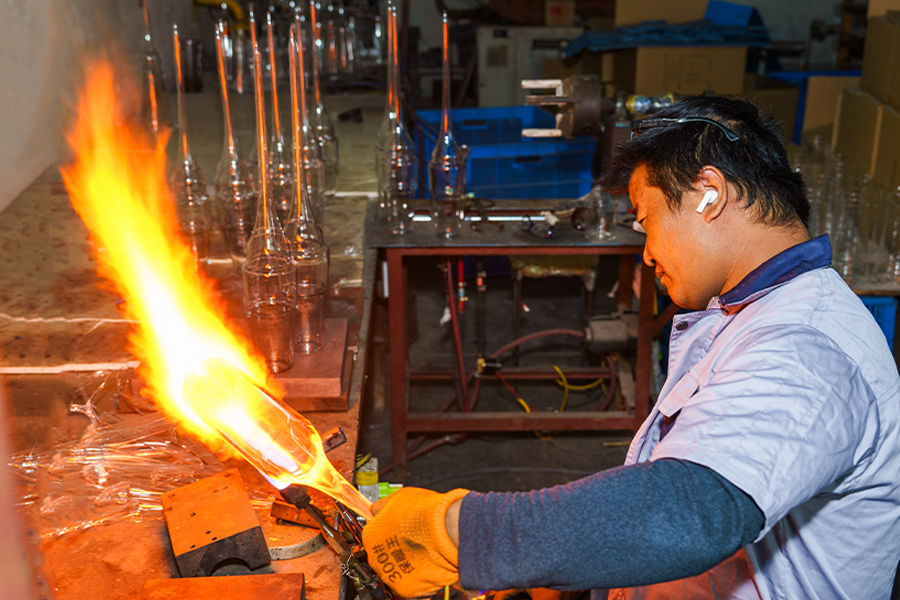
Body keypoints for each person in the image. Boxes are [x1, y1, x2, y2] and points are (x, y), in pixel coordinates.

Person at [362, 96, 900, 599]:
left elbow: (688, 512)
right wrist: (564, 572)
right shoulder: (755, 312)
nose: (646, 253)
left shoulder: (807, 348)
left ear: (709, 194)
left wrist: (461, 532)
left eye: (647, 222)